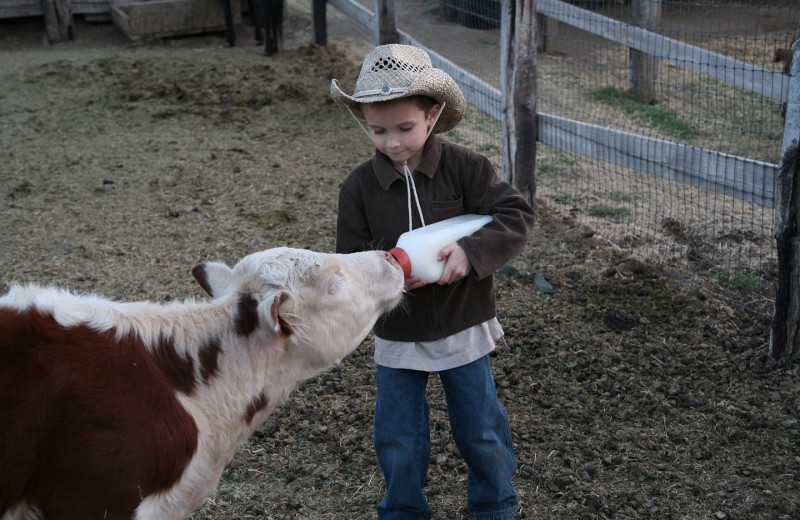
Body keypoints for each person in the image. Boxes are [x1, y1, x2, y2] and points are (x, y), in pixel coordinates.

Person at [331, 44, 534, 520]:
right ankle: (402, 510)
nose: (393, 143)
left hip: (462, 322)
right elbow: (351, 261)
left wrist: (470, 251)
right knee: (397, 432)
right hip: (399, 330)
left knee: (480, 425)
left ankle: (495, 505)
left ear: (433, 114)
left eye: (405, 128)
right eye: (378, 131)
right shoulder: (358, 188)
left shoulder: (466, 168)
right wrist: (386, 276)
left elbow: (516, 214)